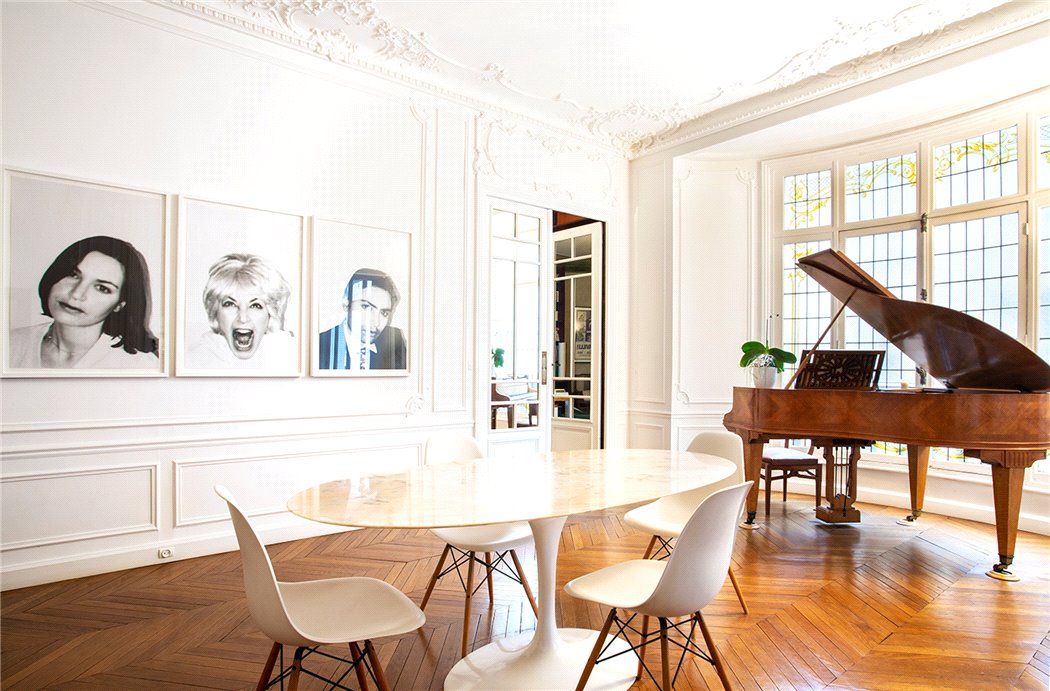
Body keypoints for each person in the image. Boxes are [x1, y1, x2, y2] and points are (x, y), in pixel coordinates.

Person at [8, 235, 159, 369]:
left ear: (119, 305)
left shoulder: (138, 365)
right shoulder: (10, 343)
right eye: (73, 275)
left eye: (102, 288)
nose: (76, 293)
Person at [186, 253, 295, 369]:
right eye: (230, 304)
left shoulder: (291, 359)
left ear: (270, 315)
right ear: (215, 313)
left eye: (255, 306)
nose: (243, 318)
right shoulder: (192, 362)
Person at [318, 268, 406, 370]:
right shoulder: (320, 344)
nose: (376, 323)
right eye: (366, 307)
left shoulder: (395, 341)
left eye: (384, 313)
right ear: (346, 304)